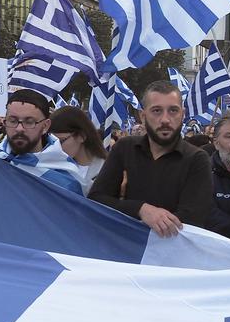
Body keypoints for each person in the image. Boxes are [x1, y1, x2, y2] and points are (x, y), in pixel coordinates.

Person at [90, 80, 213, 236]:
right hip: (122, 248)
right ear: (143, 115)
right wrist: (141, 209)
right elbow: (96, 199)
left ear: (183, 114)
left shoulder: (197, 159)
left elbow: (193, 220)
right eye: (156, 111)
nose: (165, 120)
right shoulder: (124, 148)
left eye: (173, 111)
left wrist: (127, 208)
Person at [0, 89, 86, 194]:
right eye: (13, 121)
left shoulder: (65, 182)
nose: (19, 129)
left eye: (29, 122)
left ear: (45, 126)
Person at [50, 106, 106, 191]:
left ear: (82, 136)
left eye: (61, 141)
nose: (56, 147)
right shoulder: (51, 167)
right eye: (52, 141)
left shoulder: (107, 168)